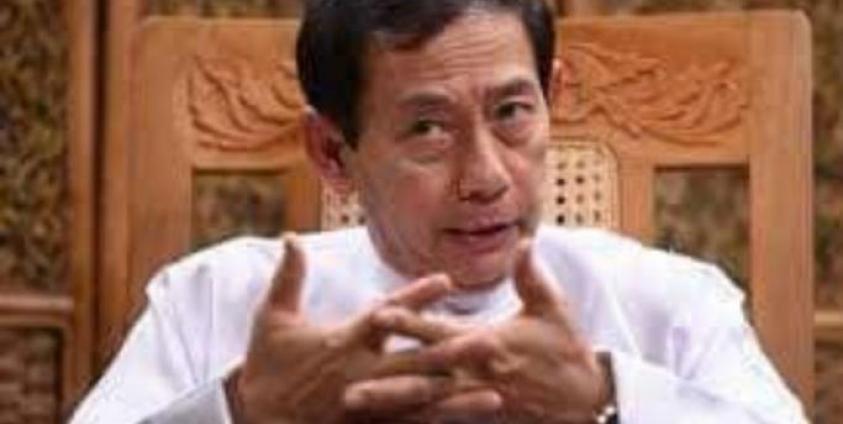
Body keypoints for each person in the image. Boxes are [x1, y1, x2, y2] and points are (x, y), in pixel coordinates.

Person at [71, 0, 808, 423]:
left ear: (554, 99)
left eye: (512, 113)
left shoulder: (668, 305)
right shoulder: (216, 300)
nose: (485, 178)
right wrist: (245, 409)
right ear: (332, 151)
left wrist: (605, 402)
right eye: (427, 128)